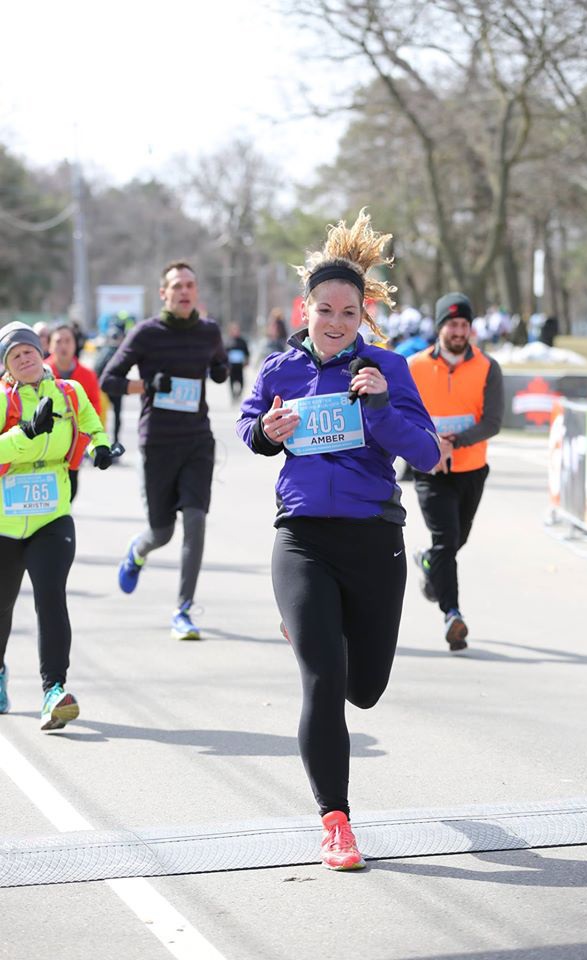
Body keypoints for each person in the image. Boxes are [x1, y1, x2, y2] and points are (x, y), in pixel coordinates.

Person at [236, 211, 440, 871]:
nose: (334, 320)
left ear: (363, 316)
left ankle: (323, 632)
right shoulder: (279, 368)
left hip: (373, 541)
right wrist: (268, 429)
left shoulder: (388, 369)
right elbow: (248, 429)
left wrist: (380, 406)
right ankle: (336, 823)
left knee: (365, 690)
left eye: (348, 311)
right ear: (306, 308)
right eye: (324, 308)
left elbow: (429, 454)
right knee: (323, 681)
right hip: (301, 539)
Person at [100, 260, 228, 640]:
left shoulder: (209, 331)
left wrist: (220, 369)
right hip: (157, 442)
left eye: (190, 284)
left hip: (197, 442)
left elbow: (218, 364)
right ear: (164, 293)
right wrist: (149, 385)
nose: (185, 291)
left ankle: (183, 610)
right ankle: (137, 550)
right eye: (177, 286)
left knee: (195, 521)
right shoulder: (146, 333)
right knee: (162, 532)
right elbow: (109, 379)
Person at [0, 322, 114, 730]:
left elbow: (92, 424)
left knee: (51, 599)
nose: (25, 357)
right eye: (16, 355)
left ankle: (54, 690)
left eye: (30, 350)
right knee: (2, 606)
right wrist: (24, 433)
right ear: (7, 368)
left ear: (41, 350)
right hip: (4, 524)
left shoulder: (69, 392)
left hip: (52, 514)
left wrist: (102, 446)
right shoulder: (2, 399)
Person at [408, 292, 504, 652]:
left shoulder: (487, 367)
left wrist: (455, 441)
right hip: (430, 469)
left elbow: (492, 422)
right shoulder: (414, 366)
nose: (459, 331)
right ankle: (452, 615)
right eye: (452, 324)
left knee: (454, 542)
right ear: (439, 327)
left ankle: (431, 562)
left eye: (464, 324)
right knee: (447, 539)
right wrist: (430, 444)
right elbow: (401, 413)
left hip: (471, 469)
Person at [45, 322, 102, 501]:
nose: (63, 346)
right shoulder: (38, 373)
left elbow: (95, 408)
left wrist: (95, 440)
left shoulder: (87, 375)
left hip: (75, 443)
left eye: (68, 341)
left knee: (71, 488)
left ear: (75, 344)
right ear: (49, 345)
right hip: (44, 443)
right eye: (58, 341)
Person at [93, 319, 128, 443]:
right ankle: (103, 442)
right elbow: (96, 370)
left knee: (112, 417)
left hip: (114, 388)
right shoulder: (111, 351)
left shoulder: (119, 352)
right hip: (107, 389)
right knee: (103, 416)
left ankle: (111, 442)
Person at [225, 322, 250, 402]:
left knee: (241, 382)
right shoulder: (228, 341)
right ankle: (233, 396)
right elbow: (224, 353)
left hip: (240, 366)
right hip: (231, 366)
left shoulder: (242, 341)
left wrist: (247, 361)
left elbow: (247, 352)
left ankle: (239, 394)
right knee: (231, 382)